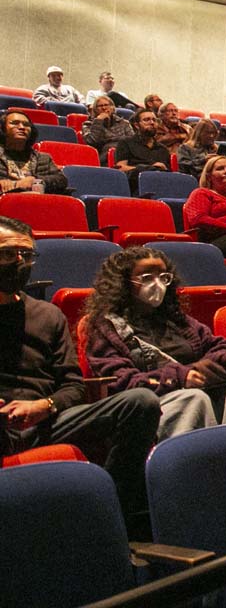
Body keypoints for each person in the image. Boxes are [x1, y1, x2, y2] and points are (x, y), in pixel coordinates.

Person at [0, 217, 160, 519]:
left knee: (141, 402)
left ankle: (112, 508)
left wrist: (43, 405)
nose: (19, 262)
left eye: (27, 255)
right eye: (8, 254)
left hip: (46, 421)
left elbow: (73, 386)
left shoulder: (48, 315)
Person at [83, 247, 226, 441]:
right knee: (194, 398)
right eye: (147, 277)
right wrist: (180, 377)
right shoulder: (107, 328)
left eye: (163, 277)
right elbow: (122, 382)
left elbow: (224, 350)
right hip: (151, 405)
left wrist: (204, 370)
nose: (157, 284)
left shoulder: (178, 321)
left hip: (193, 392)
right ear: (123, 283)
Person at [0, 110, 68, 194]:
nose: (22, 127)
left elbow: (61, 180)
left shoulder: (43, 158)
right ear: (3, 128)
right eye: (14, 123)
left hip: (37, 201)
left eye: (26, 125)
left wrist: (35, 180)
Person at [114, 108, 170, 193]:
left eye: (154, 120)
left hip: (159, 187)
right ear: (137, 125)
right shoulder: (126, 143)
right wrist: (148, 168)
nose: (152, 123)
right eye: (146, 120)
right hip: (135, 187)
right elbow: (121, 169)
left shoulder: (163, 149)